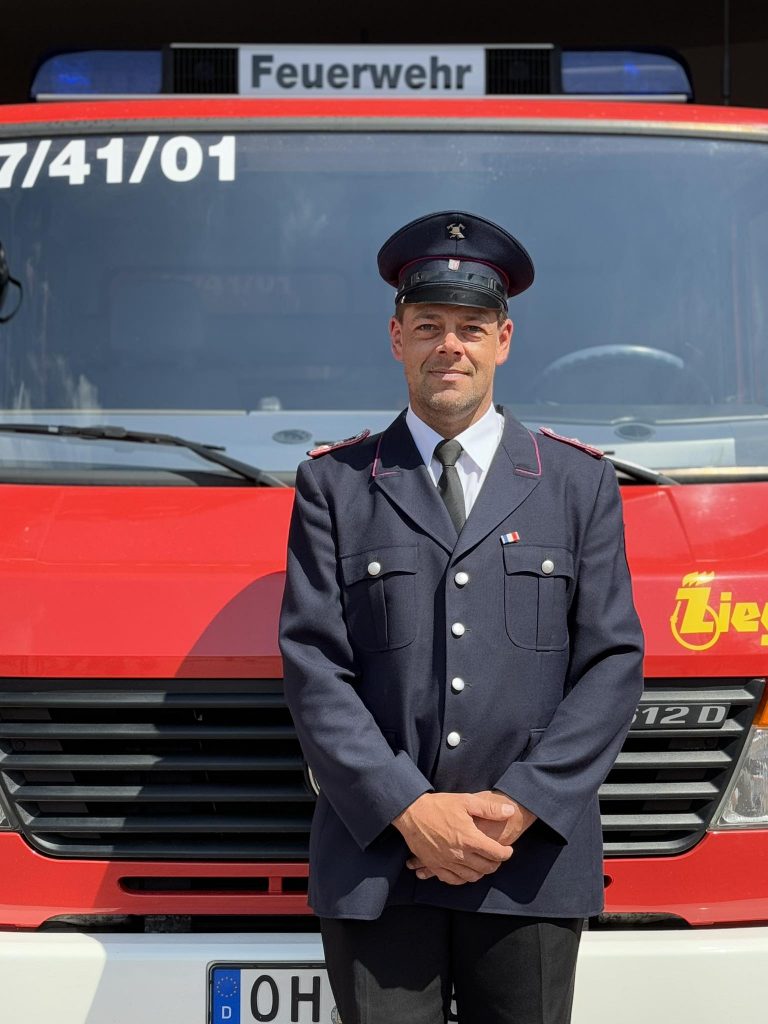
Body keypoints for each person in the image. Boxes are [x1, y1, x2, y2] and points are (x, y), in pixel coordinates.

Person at [279, 210, 645, 1024]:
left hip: (529, 862)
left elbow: (612, 664)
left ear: (503, 340)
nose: (450, 346)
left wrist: (519, 805)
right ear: (396, 338)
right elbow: (313, 667)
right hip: (378, 858)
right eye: (429, 326)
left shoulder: (577, 485)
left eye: (471, 328)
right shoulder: (336, 487)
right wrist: (409, 810)